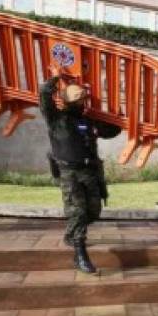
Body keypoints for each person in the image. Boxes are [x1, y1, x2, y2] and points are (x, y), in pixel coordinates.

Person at [39, 66, 120, 273]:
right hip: (69, 173)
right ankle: (80, 253)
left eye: (82, 99)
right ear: (68, 101)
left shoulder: (87, 120)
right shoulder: (56, 119)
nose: (81, 102)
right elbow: (44, 94)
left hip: (89, 172)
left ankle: (71, 234)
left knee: (94, 211)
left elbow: (111, 130)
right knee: (78, 212)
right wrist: (56, 78)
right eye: (77, 100)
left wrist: (119, 115)